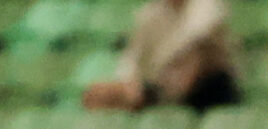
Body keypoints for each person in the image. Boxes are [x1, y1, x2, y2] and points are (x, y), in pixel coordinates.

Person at [82, 0, 241, 112]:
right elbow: (134, 56)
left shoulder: (208, 5)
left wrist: (165, 70)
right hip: (160, 84)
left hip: (211, 86)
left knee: (195, 58)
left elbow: (196, 39)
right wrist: (127, 83)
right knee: (100, 94)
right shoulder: (150, 13)